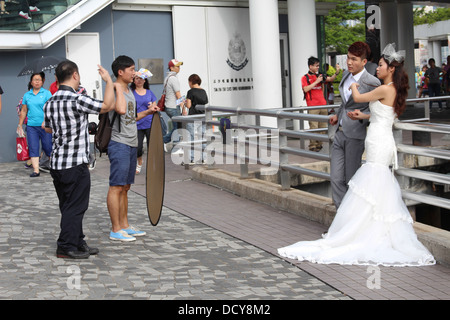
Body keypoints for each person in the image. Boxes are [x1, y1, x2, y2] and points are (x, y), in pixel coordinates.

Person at [278, 44, 435, 267]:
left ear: (389, 68)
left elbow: (359, 96)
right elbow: (373, 109)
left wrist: (354, 89)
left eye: (379, 65)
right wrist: (355, 113)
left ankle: (354, 230)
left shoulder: (378, 85)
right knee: (366, 185)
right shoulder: (385, 87)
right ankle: (354, 227)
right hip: (371, 137)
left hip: (374, 140)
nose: (376, 68)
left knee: (365, 184)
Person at [43, 60, 115, 259]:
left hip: (57, 163)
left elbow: (47, 128)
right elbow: (107, 105)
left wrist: (77, 127)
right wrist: (108, 80)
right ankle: (66, 246)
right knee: (76, 206)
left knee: (68, 205)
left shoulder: (50, 102)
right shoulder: (77, 99)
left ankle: (77, 240)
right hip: (75, 163)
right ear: (75, 75)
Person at [107, 55, 158, 242]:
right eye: (131, 69)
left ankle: (125, 225)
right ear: (121, 72)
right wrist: (116, 86)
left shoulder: (128, 89)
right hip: (118, 143)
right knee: (116, 186)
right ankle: (115, 229)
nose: (135, 73)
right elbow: (120, 111)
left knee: (125, 187)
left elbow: (130, 117)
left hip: (131, 141)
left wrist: (147, 112)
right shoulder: (114, 89)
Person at [328, 42, 381, 209]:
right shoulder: (345, 75)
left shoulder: (372, 82)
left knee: (352, 180)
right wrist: (337, 115)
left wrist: (362, 117)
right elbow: (345, 102)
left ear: (364, 62)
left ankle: (351, 219)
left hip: (356, 134)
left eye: (354, 59)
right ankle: (341, 219)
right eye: (348, 58)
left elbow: (378, 112)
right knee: (336, 178)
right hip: (340, 133)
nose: (349, 62)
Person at [17, 72, 52, 177]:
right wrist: (19, 125)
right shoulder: (27, 95)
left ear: (42, 82)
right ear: (31, 82)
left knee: (48, 147)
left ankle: (55, 167)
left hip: (45, 126)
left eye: (39, 80)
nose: (37, 81)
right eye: (35, 80)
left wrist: (46, 120)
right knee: (33, 147)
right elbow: (23, 110)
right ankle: (36, 170)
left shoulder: (46, 93)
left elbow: (51, 109)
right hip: (31, 126)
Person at [302, 57, 340, 152]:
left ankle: (319, 144)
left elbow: (330, 79)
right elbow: (305, 89)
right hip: (312, 105)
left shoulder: (320, 76)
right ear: (310, 66)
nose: (318, 68)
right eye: (316, 66)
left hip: (323, 104)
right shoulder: (305, 77)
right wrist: (316, 82)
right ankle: (313, 145)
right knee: (314, 126)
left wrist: (336, 72)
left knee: (322, 126)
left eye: (318, 66)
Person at [131, 68, 158, 174]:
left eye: (141, 78)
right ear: (133, 80)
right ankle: (140, 161)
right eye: (136, 78)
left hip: (149, 122)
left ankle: (152, 165)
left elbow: (155, 105)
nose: (139, 80)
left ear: (145, 80)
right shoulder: (131, 93)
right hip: (137, 123)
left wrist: (153, 106)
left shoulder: (149, 92)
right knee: (138, 147)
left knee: (152, 145)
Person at [184, 74, 209, 164]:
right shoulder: (203, 91)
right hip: (202, 115)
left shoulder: (190, 92)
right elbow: (205, 103)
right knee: (203, 137)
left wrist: (185, 102)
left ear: (191, 82)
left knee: (190, 137)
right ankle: (204, 158)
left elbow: (189, 105)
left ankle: (191, 159)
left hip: (192, 116)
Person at [162, 59, 184, 152]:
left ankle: (164, 141)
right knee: (178, 128)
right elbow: (178, 95)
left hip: (168, 106)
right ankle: (174, 147)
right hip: (174, 107)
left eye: (179, 66)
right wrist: (183, 107)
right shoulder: (174, 79)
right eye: (177, 66)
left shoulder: (167, 78)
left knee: (177, 127)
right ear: (171, 68)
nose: (179, 68)